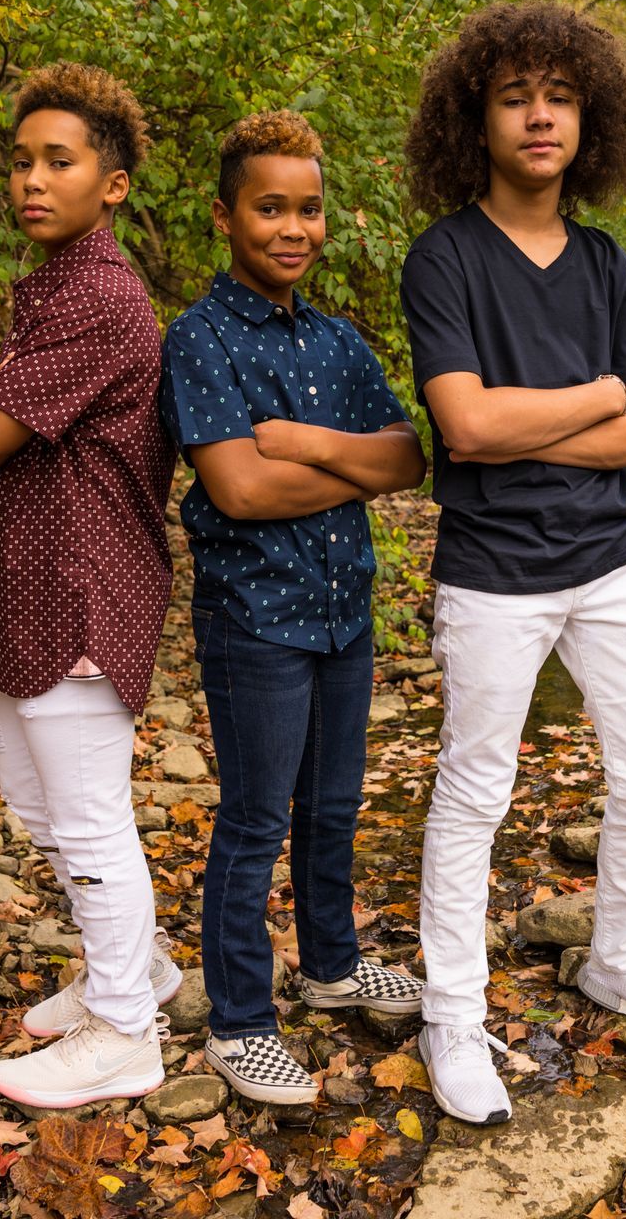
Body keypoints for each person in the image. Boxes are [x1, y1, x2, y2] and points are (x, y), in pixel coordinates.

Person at [398, 1, 626, 1126]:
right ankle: (452, 1014)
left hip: (612, 560)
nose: (540, 115)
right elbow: (466, 430)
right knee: (475, 792)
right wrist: (592, 397)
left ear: (591, 117)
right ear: (473, 117)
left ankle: (617, 960)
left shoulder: (605, 261)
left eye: (561, 95)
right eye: (515, 95)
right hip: (492, 573)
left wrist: (530, 417)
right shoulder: (444, 260)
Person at [160, 111, 428, 1105]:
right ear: (226, 215)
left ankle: (332, 965)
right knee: (255, 816)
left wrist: (309, 446)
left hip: (340, 613)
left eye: (309, 209)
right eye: (271, 207)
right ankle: (238, 1021)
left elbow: (406, 456)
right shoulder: (200, 338)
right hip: (254, 619)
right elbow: (236, 490)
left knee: (333, 807)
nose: (293, 227)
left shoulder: (335, 338)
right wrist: (347, 465)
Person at [0, 62, 180, 1109]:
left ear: (113, 183)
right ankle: (138, 968)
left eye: (60, 160)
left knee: (86, 816)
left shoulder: (97, 295)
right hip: (31, 577)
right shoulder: (53, 285)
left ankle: (128, 1029)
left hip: (82, 581)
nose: (32, 179)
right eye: (22, 160)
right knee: (39, 802)